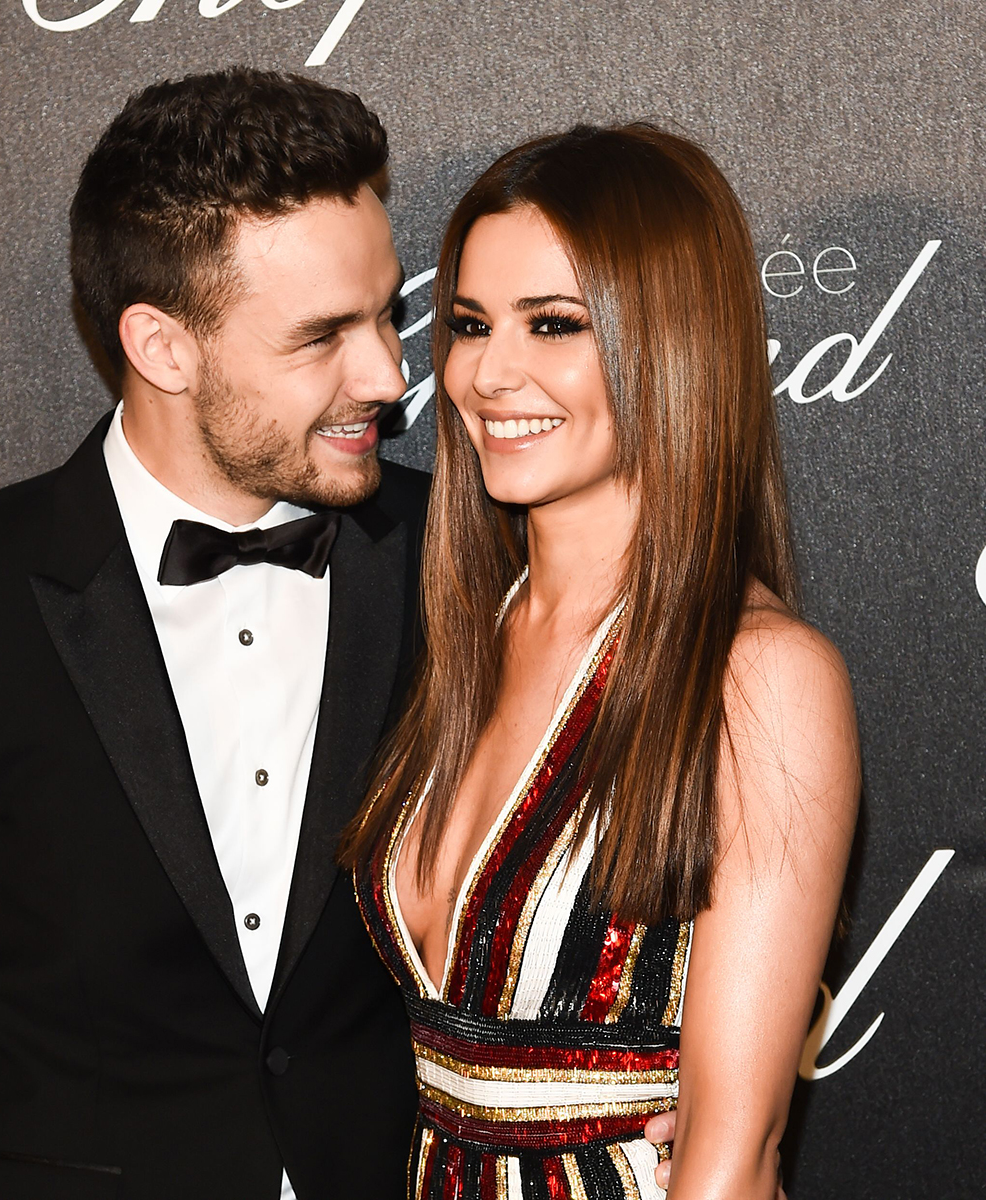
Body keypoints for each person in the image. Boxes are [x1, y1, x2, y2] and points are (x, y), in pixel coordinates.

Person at [345, 123, 860, 1199]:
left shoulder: (756, 677)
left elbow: (731, 1155)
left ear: (669, 343)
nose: (490, 373)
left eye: (555, 324)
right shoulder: (468, 631)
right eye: (472, 323)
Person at [0, 68, 426, 1199]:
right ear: (164, 347)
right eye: (323, 335)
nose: (389, 373)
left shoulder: (463, 557)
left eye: (389, 312)